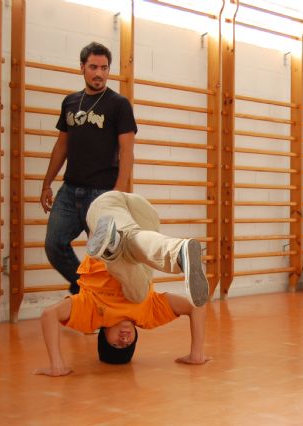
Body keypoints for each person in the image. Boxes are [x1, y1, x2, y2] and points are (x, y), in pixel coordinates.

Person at [35, 191, 210, 377]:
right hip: (142, 212)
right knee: (137, 279)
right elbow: (196, 307)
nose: (124, 339)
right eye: (128, 345)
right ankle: (177, 251)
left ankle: (115, 251)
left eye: (116, 344)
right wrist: (197, 354)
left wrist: (57, 365)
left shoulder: (91, 314)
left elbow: (49, 315)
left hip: (104, 208)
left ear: (103, 335)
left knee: (131, 252)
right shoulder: (147, 315)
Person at [40, 41, 137, 295]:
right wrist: (46, 183)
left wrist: (118, 192)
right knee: (54, 245)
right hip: (70, 192)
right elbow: (61, 146)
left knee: (103, 255)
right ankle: (84, 289)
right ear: (82, 67)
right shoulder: (70, 102)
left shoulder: (119, 104)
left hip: (102, 194)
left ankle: (101, 307)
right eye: (93, 67)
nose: (99, 73)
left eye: (104, 68)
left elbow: (127, 151)